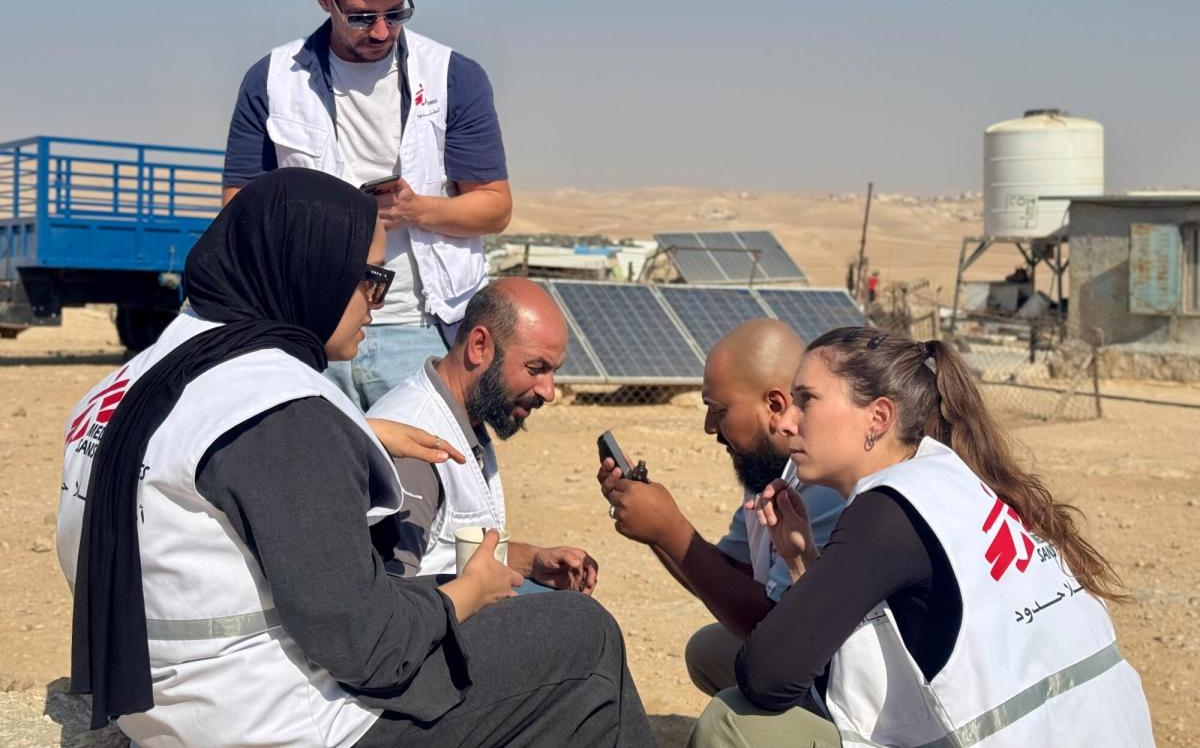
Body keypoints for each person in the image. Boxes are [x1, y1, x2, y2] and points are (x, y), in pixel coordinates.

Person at [56, 168, 652, 747]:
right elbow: (370, 647)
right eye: (369, 278)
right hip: (274, 720)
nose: (377, 302)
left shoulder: (127, 386)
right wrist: (467, 592)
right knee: (584, 635)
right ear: (309, 266)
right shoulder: (280, 409)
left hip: (166, 704)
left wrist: (351, 433)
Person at [689, 327, 1154, 747]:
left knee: (730, 723)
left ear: (878, 418)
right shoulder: (949, 479)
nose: (787, 422)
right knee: (713, 652)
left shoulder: (888, 510)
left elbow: (767, 676)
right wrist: (802, 559)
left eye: (807, 400)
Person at [222, 0, 511, 410]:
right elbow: (238, 210)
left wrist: (416, 210)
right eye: (361, 17)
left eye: (396, 13)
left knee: (434, 463)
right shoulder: (270, 80)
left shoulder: (453, 77)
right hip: (310, 331)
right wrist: (322, 223)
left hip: (423, 333)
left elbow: (495, 207)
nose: (381, 31)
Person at [596, 319, 844, 696]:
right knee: (708, 651)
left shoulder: (826, 482)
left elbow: (772, 625)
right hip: (810, 652)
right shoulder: (769, 469)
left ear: (775, 405)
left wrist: (669, 529)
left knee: (730, 703)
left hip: (847, 680)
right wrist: (654, 527)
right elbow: (728, 574)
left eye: (718, 409)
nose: (709, 427)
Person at [368, 278, 599, 593]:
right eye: (535, 368)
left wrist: (531, 561)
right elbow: (390, 601)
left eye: (553, 371)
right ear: (479, 346)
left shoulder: (463, 415)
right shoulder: (415, 447)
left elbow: (448, 551)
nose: (549, 391)